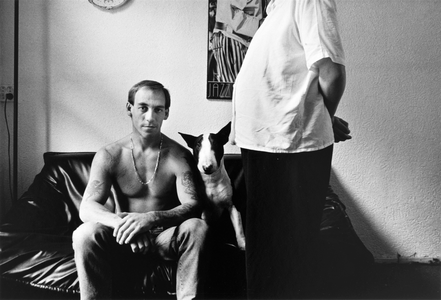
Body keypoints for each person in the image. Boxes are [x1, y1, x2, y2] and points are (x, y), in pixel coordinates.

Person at [230, 0, 350, 298]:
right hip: (264, 142)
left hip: (289, 145)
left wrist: (324, 117)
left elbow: (331, 72)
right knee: (264, 250)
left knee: (290, 253)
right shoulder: (277, 10)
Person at [72, 80, 209, 300]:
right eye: (143, 108)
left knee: (197, 227)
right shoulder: (110, 154)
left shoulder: (179, 156)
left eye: (158, 109)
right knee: (84, 234)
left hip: (163, 237)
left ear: (166, 113)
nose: (150, 117)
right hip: (123, 237)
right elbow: (87, 207)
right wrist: (126, 226)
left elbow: (193, 206)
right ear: (130, 109)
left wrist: (151, 219)